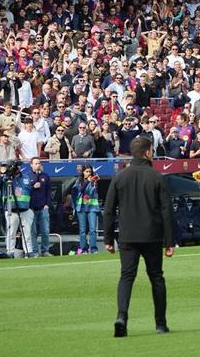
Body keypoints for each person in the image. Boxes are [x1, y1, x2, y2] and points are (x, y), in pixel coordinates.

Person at [104, 136, 176, 338]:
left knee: (126, 277)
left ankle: (121, 317)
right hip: (152, 235)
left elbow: (109, 210)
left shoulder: (120, 177)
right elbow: (167, 211)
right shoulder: (156, 177)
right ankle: (160, 323)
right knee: (157, 278)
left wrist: (108, 239)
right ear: (146, 152)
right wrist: (170, 241)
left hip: (127, 235)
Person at [1, 164, 34, 256]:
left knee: (27, 233)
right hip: (11, 210)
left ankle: (29, 252)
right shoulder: (7, 179)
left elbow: (31, 192)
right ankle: (10, 252)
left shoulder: (26, 178)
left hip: (25, 209)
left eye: (18, 166)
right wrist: (6, 174)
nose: (17, 168)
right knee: (11, 233)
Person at [28, 158, 53, 257]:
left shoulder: (45, 176)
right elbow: (24, 192)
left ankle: (45, 250)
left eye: (39, 163)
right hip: (31, 208)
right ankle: (35, 251)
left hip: (43, 207)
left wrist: (47, 204)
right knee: (33, 231)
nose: (38, 165)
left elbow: (48, 192)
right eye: (36, 163)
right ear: (31, 165)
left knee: (45, 231)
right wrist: (33, 187)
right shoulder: (27, 176)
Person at [74, 165, 102, 254]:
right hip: (81, 208)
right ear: (83, 172)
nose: (89, 173)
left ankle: (93, 248)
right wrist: (87, 181)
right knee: (82, 230)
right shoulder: (78, 181)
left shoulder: (93, 182)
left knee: (93, 229)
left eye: (90, 172)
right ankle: (83, 249)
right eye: (86, 171)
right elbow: (81, 190)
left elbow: (94, 192)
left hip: (92, 208)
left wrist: (94, 182)